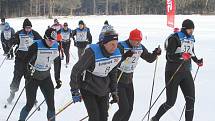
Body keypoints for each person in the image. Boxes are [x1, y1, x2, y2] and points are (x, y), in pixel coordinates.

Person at [151, 19, 203, 121]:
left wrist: (197, 60)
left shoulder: (191, 38)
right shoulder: (174, 38)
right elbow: (169, 56)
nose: (191, 32)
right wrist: (181, 55)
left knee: (191, 100)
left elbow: (191, 52)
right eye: (189, 30)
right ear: (184, 29)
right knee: (170, 102)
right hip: (172, 72)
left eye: (192, 30)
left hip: (185, 72)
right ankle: (155, 118)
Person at [70, 29, 121, 121]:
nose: (115, 47)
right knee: (94, 117)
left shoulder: (116, 55)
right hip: (88, 88)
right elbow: (76, 70)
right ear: (105, 43)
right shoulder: (92, 52)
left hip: (103, 90)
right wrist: (74, 89)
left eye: (116, 44)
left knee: (104, 117)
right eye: (112, 44)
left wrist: (114, 91)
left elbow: (113, 73)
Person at [112, 29, 161, 121]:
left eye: (140, 40)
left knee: (130, 108)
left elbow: (149, 58)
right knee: (124, 109)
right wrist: (124, 56)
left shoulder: (140, 47)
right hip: (118, 80)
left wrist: (155, 53)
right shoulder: (121, 46)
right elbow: (113, 63)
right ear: (130, 39)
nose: (138, 42)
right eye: (136, 40)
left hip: (129, 81)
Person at [18, 28, 62, 121]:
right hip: (33, 78)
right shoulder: (36, 45)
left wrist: (57, 78)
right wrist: (26, 74)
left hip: (46, 77)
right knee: (29, 104)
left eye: (54, 40)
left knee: (51, 104)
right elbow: (25, 61)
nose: (52, 42)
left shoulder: (55, 46)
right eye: (50, 40)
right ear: (45, 37)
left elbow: (57, 63)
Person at [6, 18, 42, 104]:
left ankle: (32, 98)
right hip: (20, 60)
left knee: (30, 79)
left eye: (29, 27)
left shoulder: (34, 34)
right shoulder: (19, 33)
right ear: (23, 27)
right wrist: (12, 42)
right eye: (26, 28)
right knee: (17, 77)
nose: (28, 29)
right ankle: (12, 93)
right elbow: (10, 41)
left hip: (30, 61)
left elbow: (41, 41)